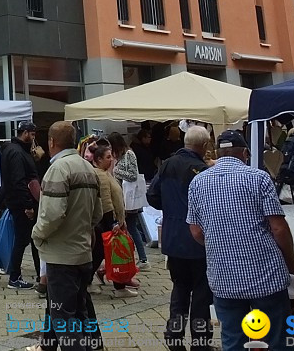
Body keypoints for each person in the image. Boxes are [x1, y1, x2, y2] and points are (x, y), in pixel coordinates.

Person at [187, 130, 294, 351]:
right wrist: (291, 262)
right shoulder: (258, 178)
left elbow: (196, 232)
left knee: (232, 339)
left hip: (224, 277)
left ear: (218, 154)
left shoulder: (198, 183)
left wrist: (221, 244)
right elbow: (278, 228)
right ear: (245, 153)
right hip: (265, 275)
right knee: (277, 339)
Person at [30, 121, 104, 351]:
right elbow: (97, 213)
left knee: (64, 317)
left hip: (62, 255)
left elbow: (52, 215)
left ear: (51, 142)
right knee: (77, 311)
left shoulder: (59, 169)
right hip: (82, 252)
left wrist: (37, 234)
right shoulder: (88, 168)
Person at [147, 125, 212, 350]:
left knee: (180, 287)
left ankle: (174, 336)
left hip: (173, 239)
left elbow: (152, 195)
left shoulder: (167, 164)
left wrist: (171, 210)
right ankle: (200, 341)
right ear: (204, 146)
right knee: (202, 292)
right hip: (198, 240)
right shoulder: (202, 170)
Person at [0, 121, 42, 290]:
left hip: (18, 201)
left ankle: (38, 274)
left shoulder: (14, 150)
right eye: (33, 134)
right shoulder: (17, 152)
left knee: (30, 239)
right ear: (26, 133)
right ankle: (15, 277)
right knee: (24, 240)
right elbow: (18, 181)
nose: (34, 138)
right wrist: (28, 205)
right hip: (22, 203)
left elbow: (10, 181)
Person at [91, 142, 135, 299]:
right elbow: (106, 203)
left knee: (108, 253)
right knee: (105, 253)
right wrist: (113, 223)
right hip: (106, 223)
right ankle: (116, 286)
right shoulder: (101, 175)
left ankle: (118, 284)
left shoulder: (106, 173)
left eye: (112, 156)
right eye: (108, 157)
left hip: (112, 222)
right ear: (98, 159)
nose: (111, 159)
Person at [110, 132, 149, 269]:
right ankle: (133, 258)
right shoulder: (122, 155)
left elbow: (132, 175)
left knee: (130, 227)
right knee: (129, 227)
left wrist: (116, 171)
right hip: (124, 197)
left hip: (129, 199)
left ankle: (142, 259)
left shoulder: (129, 154)